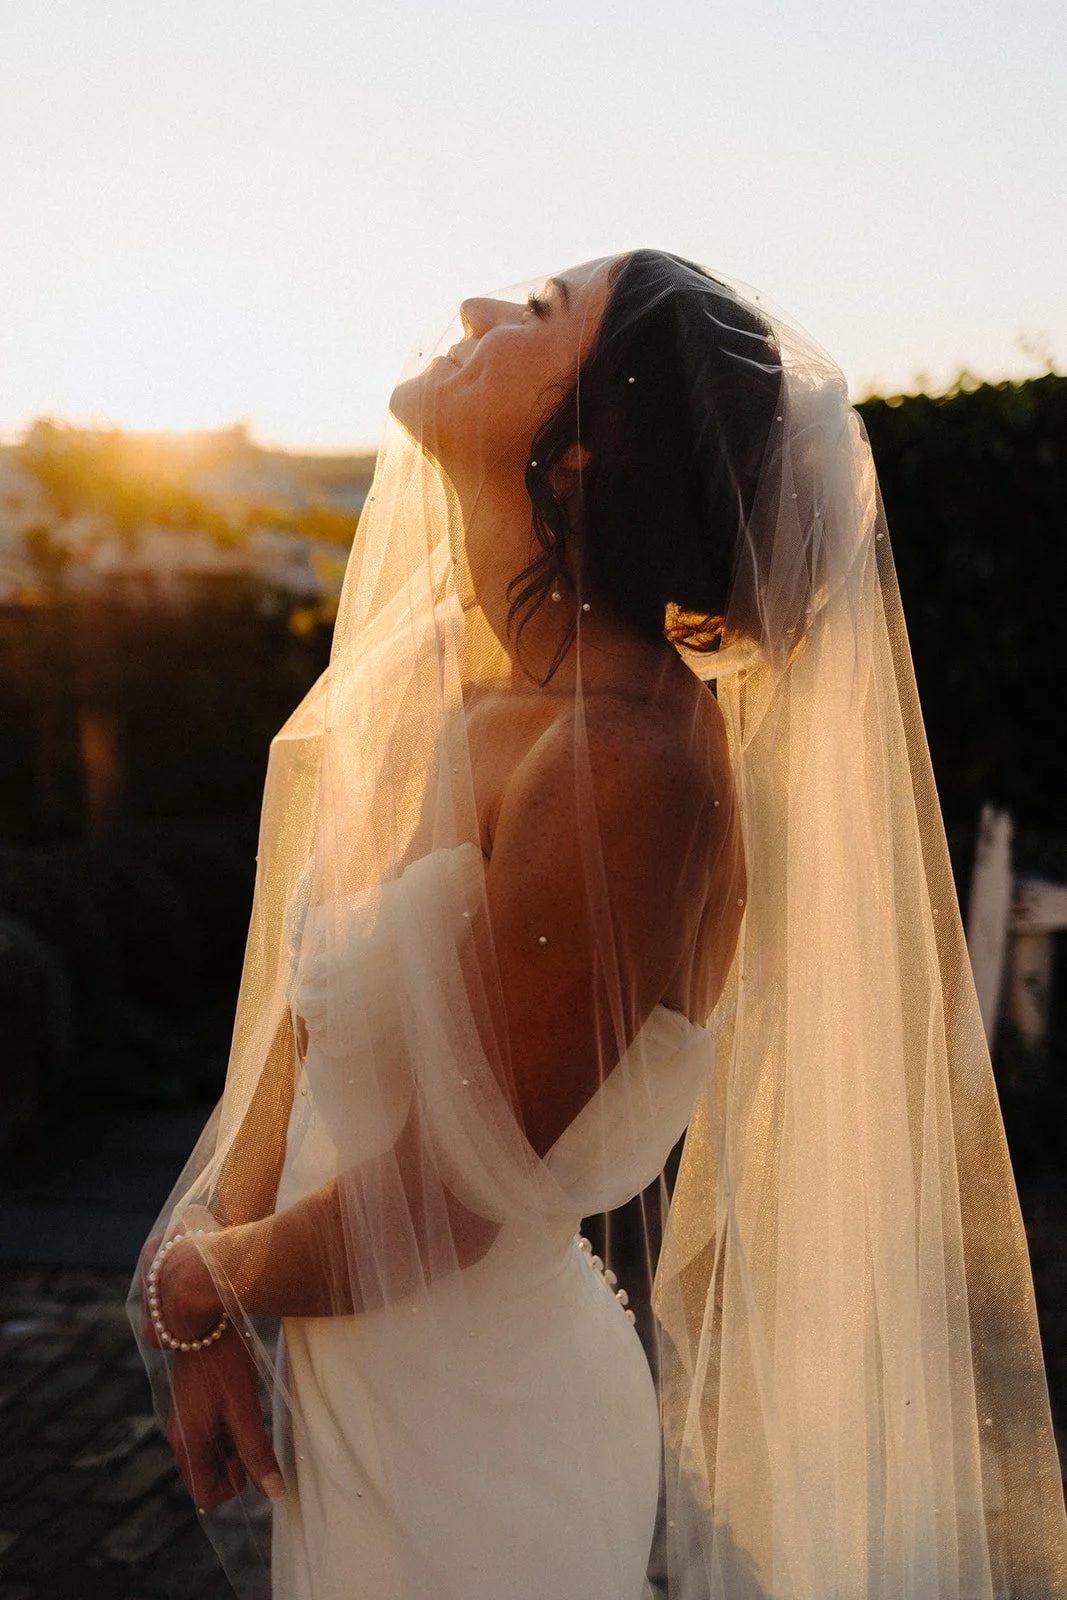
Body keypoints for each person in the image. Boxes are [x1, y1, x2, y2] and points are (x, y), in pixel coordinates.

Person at [130, 251, 1067, 1599]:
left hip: (484, 1442)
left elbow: (452, 1195)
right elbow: (310, 997)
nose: (474, 310)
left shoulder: (621, 760)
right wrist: (215, 1286)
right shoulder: (460, 689)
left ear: (578, 457)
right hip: (368, 1410)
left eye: (538, 313)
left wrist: (198, 1284)